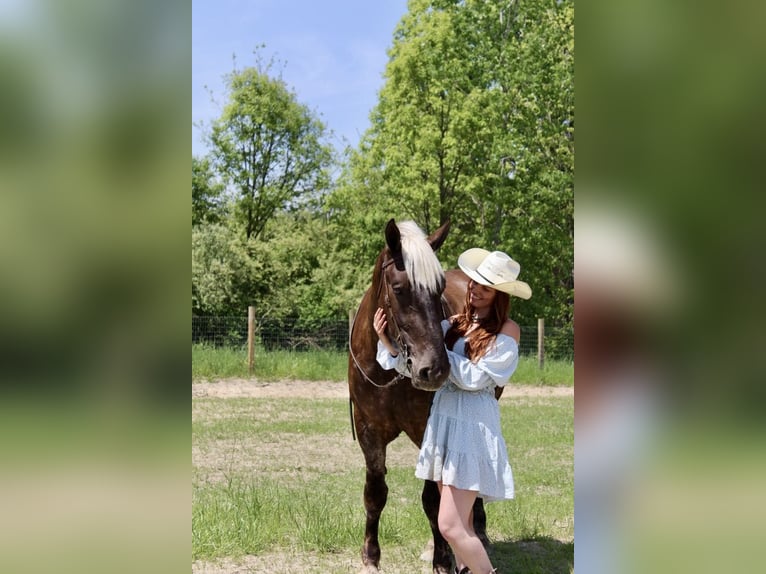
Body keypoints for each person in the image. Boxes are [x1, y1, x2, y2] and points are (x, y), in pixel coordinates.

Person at [375, 248, 532, 574]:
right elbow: (417, 365)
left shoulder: (508, 331)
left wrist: (440, 355)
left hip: (473, 424)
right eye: (474, 283)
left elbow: (476, 378)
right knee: (463, 527)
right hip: (444, 420)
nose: (474, 290)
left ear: (499, 295)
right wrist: (388, 343)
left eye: (485, 288)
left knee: (449, 526)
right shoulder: (454, 324)